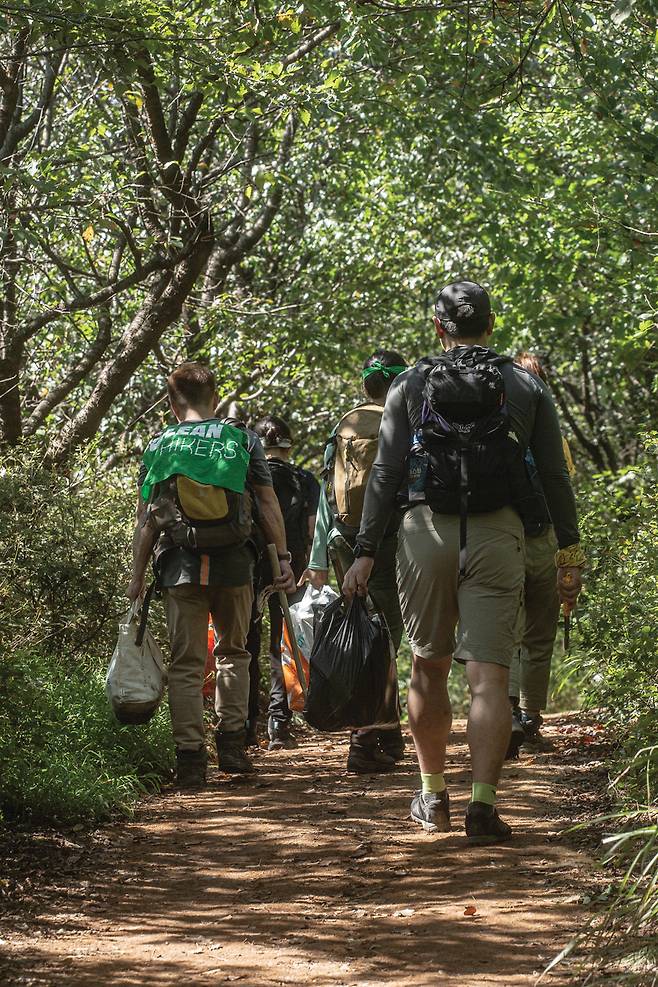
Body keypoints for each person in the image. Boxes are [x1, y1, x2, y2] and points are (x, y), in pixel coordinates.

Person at [342, 281, 584, 843]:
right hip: (500, 532)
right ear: (492, 326)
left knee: (427, 664)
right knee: (490, 679)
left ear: (438, 328)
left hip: (425, 530)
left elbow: (384, 474)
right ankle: (483, 804)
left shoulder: (410, 383)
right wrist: (567, 551)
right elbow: (553, 477)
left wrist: (365, 550)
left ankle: (432, 794)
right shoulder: (525, 386)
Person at [127, 363, 296, 789]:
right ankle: (233, 749)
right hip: (235, 564)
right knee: (234, 653)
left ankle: (190, 761)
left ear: (171, 404)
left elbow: (147, 518)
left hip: (179, 567)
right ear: (215, 399)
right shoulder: (241, 440)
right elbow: (267, 501)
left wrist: (136, 574)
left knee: (185, 664)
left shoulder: (161, 444)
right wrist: (283, 558)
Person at [300, 349, 408, 774]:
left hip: (344, 541)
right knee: (384, 636)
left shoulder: (344, 425)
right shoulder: (404, 421)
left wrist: (319, 556)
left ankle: (385, 731)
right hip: (390, 541)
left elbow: (328, 496)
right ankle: (363, 741)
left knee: (362, 627)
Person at [506, 351, 577, 756]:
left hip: (506, 539)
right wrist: (570, 551)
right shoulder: (557, 441)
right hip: (547, 541)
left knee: (508, 633)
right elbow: (562, 488)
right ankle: (531, 720)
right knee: (539, 635)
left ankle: (510, 712)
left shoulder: (502, 437)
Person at [246, 415, 320, 750]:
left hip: (249, 565)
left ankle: (245, 725)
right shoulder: (305, 480)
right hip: (293, 567)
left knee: (246, 641)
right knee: (284, 641)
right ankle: (280, 722)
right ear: (289, 446)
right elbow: (312, 529)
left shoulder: (246, 476)